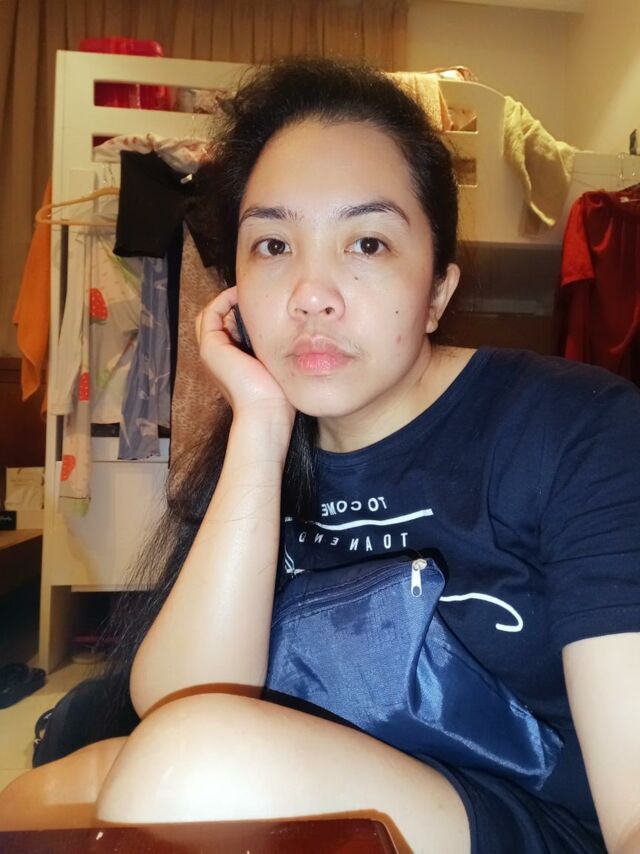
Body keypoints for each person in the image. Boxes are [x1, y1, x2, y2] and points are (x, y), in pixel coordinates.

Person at [1, 56, 640, 854]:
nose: (310, 294)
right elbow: (177, 701)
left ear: (438, 291)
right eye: (273, 245)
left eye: (366, 242)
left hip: (535, 821)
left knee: (187, 766)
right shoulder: (262, 440)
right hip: (312, 766)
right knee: (36, 797)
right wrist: (260, 425)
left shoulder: (576, 428)